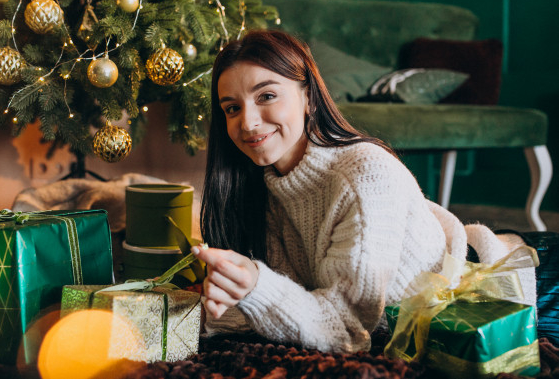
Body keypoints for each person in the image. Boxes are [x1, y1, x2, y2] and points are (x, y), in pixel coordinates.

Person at [190, 29, 535, 353]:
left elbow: (348, 329)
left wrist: (256, 285)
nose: (247, 122)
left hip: (523, 289)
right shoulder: (270, 187)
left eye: (266, 95)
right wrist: (194, 314)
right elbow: (297, 301)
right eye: (232, 108)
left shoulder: (363, 174)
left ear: (308, 97)